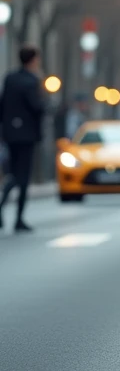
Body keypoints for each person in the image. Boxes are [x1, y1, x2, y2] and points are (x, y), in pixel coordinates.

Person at [0, 45, 45, 233]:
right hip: (27, 135)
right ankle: (19, 218)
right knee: (23, 177)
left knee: (13, 174)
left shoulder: (10, 78)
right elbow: (37, 107)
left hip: (10, 133)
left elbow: (2, 105)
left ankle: (4, 208)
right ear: (33, 60)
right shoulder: (31, 81)